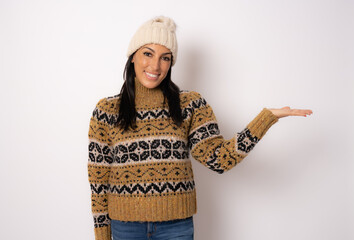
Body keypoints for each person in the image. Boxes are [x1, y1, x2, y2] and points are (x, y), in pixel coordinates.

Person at [87, 16, 313, 240]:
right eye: (148, 53)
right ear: (133, 56)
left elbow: (220, 159)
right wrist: (102, 235)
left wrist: (266, 119)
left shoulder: (190, 104)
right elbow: (98, 179)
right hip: (125, 228)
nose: (155, 65)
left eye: (165, 58)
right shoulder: (106, 110)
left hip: (175, 228)